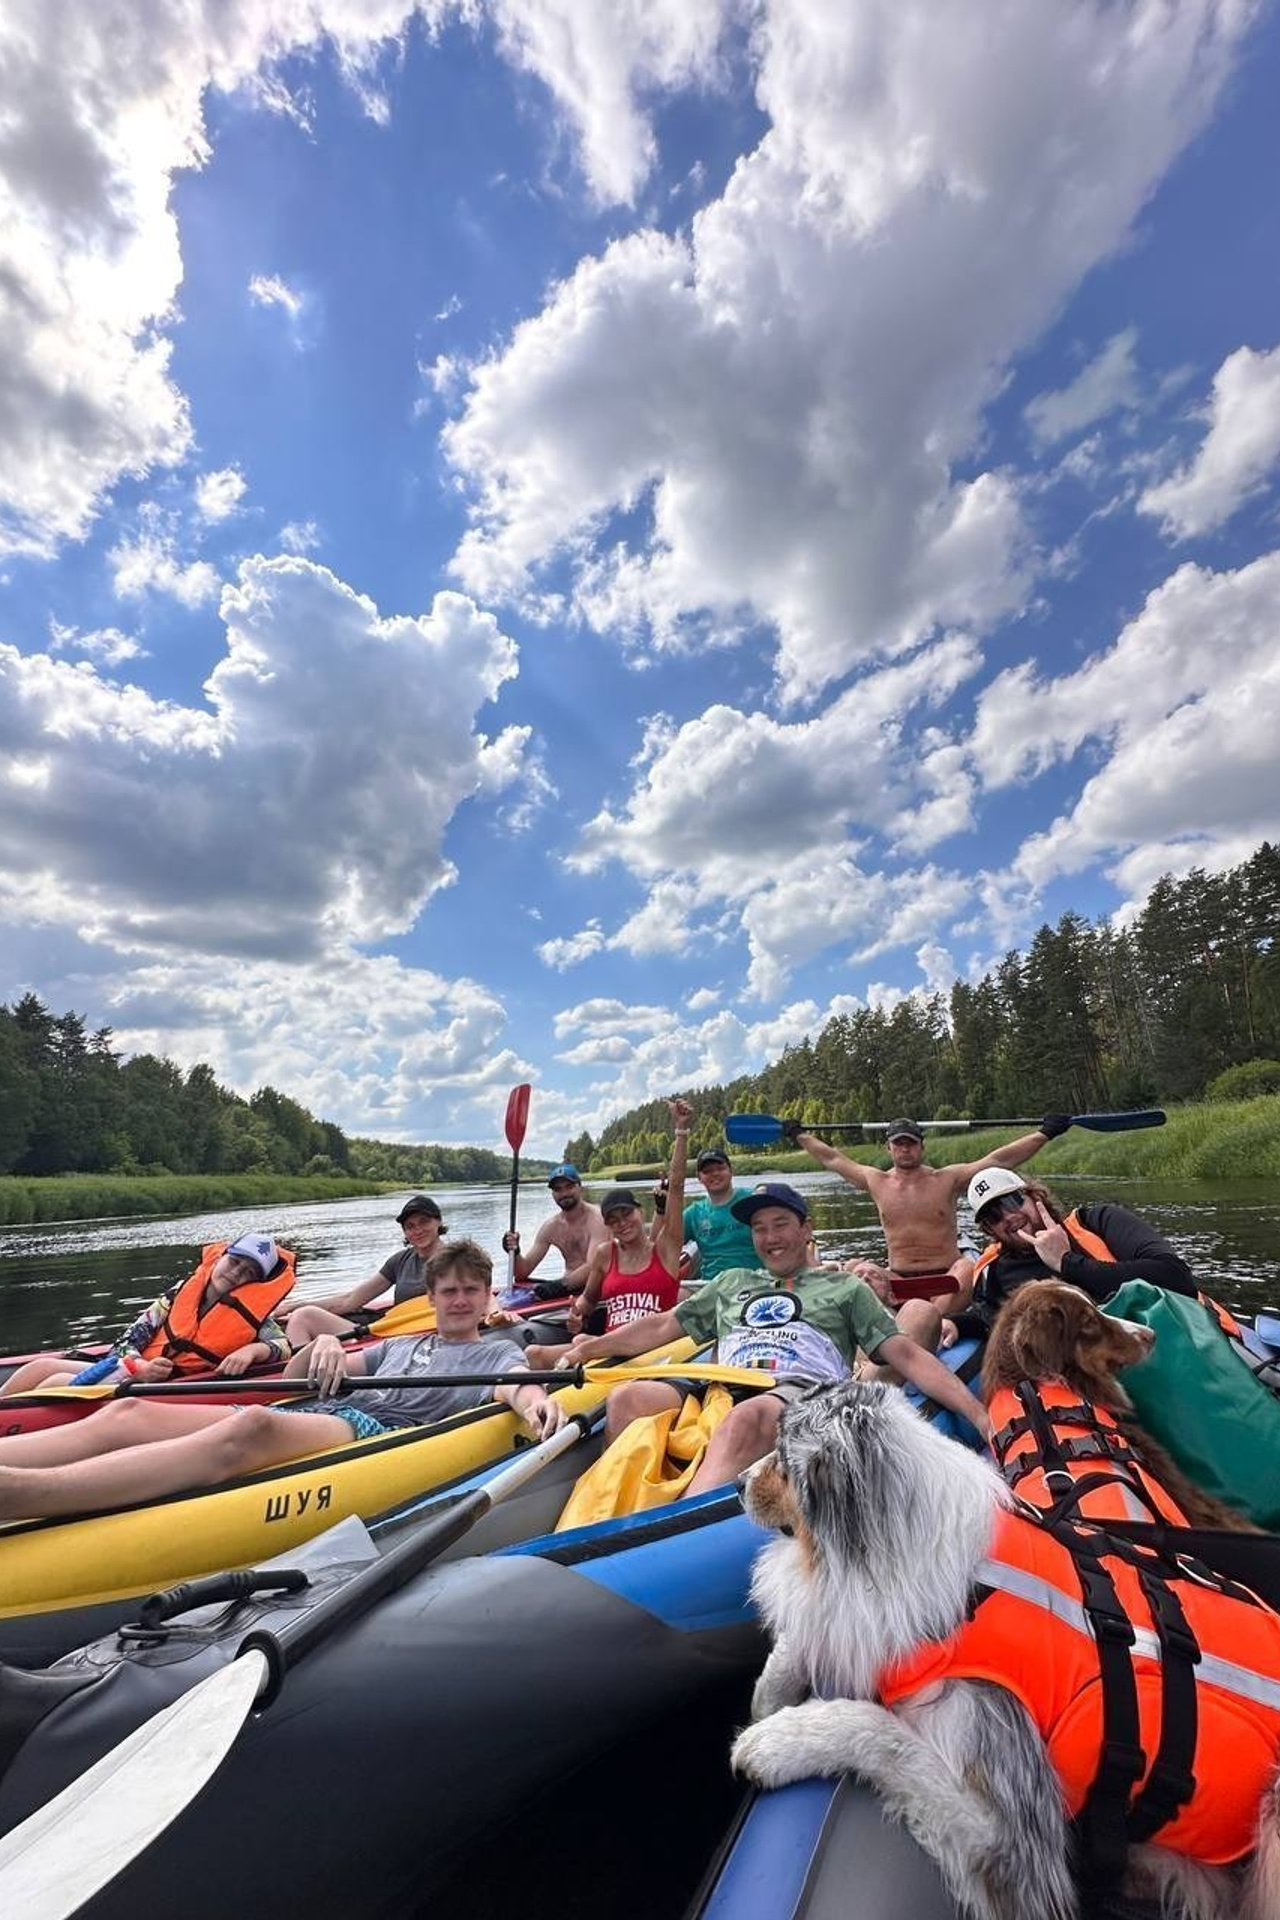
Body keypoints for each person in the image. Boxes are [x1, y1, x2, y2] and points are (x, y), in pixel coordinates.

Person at [0, 1239, 563, 1522]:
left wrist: (537, 1406)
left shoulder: (492, 1353)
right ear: (433, 1297)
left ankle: (25, 1494)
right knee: (129, 1413)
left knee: (255, 1428)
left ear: (488, 1293)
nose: (460, 1300)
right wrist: (318, 1344)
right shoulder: (397, 1344)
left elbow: (516, 1385)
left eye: (471, 1290)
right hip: (320, 1416)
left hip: (376, 1435)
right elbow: (293, 1383)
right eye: (449, 1290)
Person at [558, 1181, 988, 1499]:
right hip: (721, 1385)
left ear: (807, 1230)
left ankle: (667, 1535)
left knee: (747, 1419)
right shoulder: (732, 1281)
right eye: (760, 1228)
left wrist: (981, 1417)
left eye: (781, 1224)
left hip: (801, 1390)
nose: (770, 1237)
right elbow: (661, 1326)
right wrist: (591, 1347)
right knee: (627, 1400)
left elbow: (907, 1356)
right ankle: (602, 1513)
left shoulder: (843, 1289)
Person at [792, 1115, 1065, 1352]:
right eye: (899, 1143)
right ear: (889, 1148)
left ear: (922, 1146)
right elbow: (832, 1158)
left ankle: (921, 1328)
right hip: (898, 1281)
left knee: (968, 1266)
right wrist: (799, 1135)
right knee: (856, 1268)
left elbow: (998, 1160)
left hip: (947, 1279)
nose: (905, 1148)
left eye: (911, 1142)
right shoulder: (876, 1181)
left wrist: (1045, 1134)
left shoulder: (946, 1179)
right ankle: (887, 1333)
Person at [0, 1235, 296, 1397]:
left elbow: (282, 1346)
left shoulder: (254, 1317)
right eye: (234, 1262)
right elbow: (131, 1337)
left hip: (166, 1385)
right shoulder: (176, 1296)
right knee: (37, 1368)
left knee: (55, 1382)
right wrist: (139, 1365)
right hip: (134, 1370)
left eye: (248, 1273)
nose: (236, 1274)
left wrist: (253, 1350)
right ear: (219, 1258)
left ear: (255, 1283)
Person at [527, 1100, 692, 1367]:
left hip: (650, 1351)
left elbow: (677, 1188)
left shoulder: (665, 1250)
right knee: (533, 1353)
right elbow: (590, 1298)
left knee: (581, 1346)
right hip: (605, 1352)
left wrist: (681, 1132)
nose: (622, 1223)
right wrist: (577, 1314)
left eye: (627, 1214)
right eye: (613, 1220)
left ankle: (580, 1361)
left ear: (641, 1213)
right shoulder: (605, 1254)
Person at [965, 1168, 1196, 1322]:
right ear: (989, 1230)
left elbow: (1178, 1278)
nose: (1008, 1216)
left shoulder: (1099, 1221)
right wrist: (957, 1324)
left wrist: (1066, 1262)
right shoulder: (996, 1270)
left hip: (1150, 1335)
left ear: (1035, 1196)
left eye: (1011, 1201)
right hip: (1079, 1371)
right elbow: (989, 1319)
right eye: (993, 1216)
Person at [279, 1194, 446, 1345]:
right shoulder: (400, 1261)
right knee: (302, 1316)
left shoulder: (458, 1260)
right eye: (410, 1226)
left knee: (302, 1316)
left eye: (424, 1222)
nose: (417, 1230)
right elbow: (349, 1300)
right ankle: (297, 1372)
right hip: (390, 1334)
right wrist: (292, 1306)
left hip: (424, 1338)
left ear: (438, 1221)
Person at [502, 1162, 609, 1297]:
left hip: (598, 1289)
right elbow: (523, 1272)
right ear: (552, 1194)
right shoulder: (551, 1227)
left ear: (580, 1187)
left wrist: (558, 1286)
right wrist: (515, 1252)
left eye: (569, 1187)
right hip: (568, 1292)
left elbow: (594, 1266)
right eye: (558, 1189)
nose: (564, 1193)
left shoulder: (598, 1218)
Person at [679, 1146, 758, 1282]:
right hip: (711, 1286)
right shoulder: (693, 1213)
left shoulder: (754, 1199)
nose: (715, 1174)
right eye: (707, 1171)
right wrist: (662, 1210)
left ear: (730, 1171)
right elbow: (665, 1247)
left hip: (755, 1280)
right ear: (699, 1177)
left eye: (720, 1168)